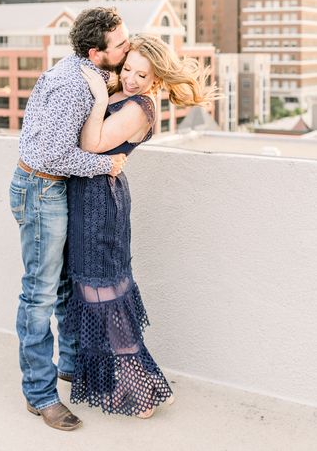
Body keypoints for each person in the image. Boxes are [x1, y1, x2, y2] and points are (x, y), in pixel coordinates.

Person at [64, 34, 214, 418]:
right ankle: (130, 385)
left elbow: (93, 143)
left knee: (105, 295)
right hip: (86, 197)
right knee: (93, 292)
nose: (130, 78)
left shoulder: (140, 107)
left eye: (140, 74)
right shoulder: (117, 92)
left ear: (156, 80)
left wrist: (98, 99)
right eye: (127, 68)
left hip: (101, 201)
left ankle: (142, 391)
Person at [9, 7, 130, 431]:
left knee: (63, 286)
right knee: (40, 294)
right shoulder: (76, 87)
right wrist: (106, 164)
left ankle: (70, 369)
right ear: (96, 52)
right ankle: (40, 394)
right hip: (41, 188)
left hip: (52, 187)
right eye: (120, 44)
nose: (128, 47)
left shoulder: (85, 73)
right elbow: (53, 155)